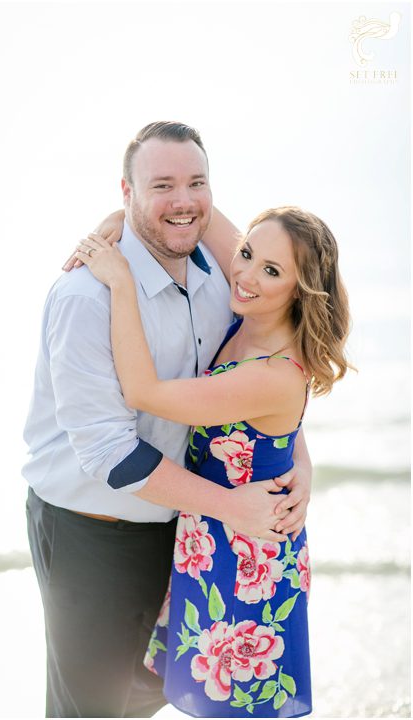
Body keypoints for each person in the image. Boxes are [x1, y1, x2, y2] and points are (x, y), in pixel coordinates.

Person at [22, 121, 312, 718]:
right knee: (89, 710)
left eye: (196, 183)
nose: (183, 201)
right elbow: (110, 453)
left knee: (156, 696)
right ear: (126, 193)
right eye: (161, 185)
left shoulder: (223, 277)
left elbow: (262, 375)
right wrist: (234, 506)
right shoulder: (85, 297)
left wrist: (299, 454)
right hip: (93, 531)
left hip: (184, 532)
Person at [74, 205, 350, 717]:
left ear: (302, 289)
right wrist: (122, 215)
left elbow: (142, 391)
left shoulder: (272, 371)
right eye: (246, 254)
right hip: (214, 531)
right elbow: (192, 207)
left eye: (272, 271)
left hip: (248, 556)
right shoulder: (252, 304)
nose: (244, 274)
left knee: (236, 706)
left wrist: (120, 283)